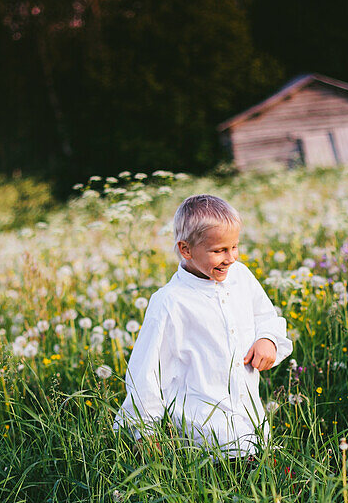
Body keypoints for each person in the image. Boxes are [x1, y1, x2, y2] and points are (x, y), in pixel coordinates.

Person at [114, 194, 292, 456]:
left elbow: (266, 317)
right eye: (219, 250)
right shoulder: (170, 302)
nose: (230, 257)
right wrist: (145, 432)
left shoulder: (241, 277)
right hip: (204, 435)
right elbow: (147, 371)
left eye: (234, 247)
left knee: (267, 483)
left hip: (252, 422)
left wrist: (268, 339)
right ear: (186, 249)